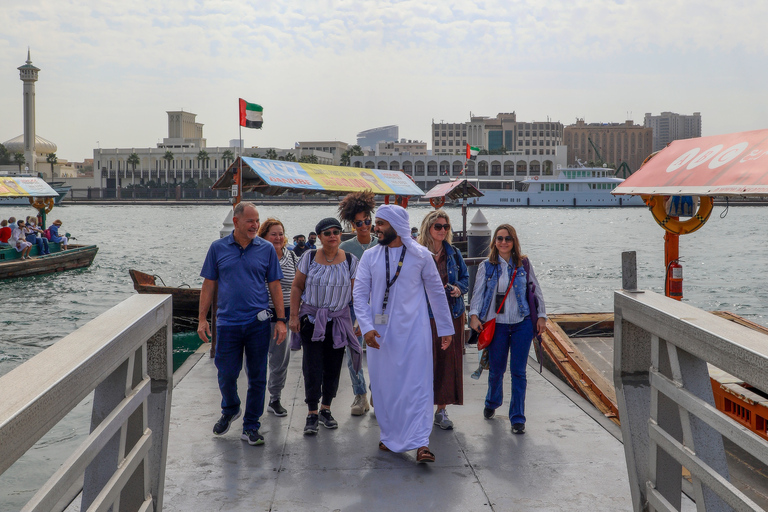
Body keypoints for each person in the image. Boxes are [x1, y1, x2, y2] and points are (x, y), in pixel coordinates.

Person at [353, 205, 454, 463]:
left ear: (396, 225)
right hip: (380, 337)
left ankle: (421, 443)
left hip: (415, 335)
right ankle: (390, 436)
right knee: (386, 389)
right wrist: (366, 327)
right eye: (376, 223)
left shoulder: (421, 255)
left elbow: (436, 293)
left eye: (380, 224)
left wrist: (445, 329)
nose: (376, 228)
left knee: (418, 387)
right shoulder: (370, 257)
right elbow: (359, 295)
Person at [198, 202, 287, 446]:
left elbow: (275, 285)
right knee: (226, 373)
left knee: (258, 377)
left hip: (258, 323)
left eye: (257, 220)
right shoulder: (217, 248)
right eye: (250, 220)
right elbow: (208, 285)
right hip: (227, 324)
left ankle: (251, 426)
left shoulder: (266, 248)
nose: (255, 225)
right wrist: (202, 319)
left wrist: (280, 320)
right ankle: (230, 408)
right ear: (236, 222)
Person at [468, 224, 547, 435]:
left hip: (522, 323)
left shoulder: (524, 264)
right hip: (497, 325)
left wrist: (541, 317)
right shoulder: (487, 266)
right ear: (494, 241)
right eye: (500, 238)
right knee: (496, 370)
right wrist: (474, 315)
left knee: (519, 372)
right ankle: (492, 401)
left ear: (514, 241)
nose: (504, 242)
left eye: (508, 238)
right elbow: (478, 293)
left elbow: (536, 290)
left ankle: (517, 418)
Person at [290, 218, 362, 435]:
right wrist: (294, 316)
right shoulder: (309, 257)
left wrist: (359, 320)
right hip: (312, 320)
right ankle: (312, 412)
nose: (333, 236)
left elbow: (356, 295)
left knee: (333, 366)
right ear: (319, 237)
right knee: (312, 367)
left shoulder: (350, 260)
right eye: (327, 233)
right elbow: (296, 287)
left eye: (336, 232)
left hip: (339, 322)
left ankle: (326, 409)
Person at [418, 210, 469, 430]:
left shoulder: (454, 253)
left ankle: (441, 410)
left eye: (446, 227)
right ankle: (420, 411)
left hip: (451, 315)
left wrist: (458, 289)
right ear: (428, 227)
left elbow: (466, 279)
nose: (442, 230)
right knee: (422, 363)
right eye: (438, 226)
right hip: (424, 316)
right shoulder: (417, 253)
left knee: (447, 364)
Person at [337, 191, 378, 416]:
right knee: (353, 352)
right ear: (353, 224)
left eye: (368, 221)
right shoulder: (345, 248)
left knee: (378, 350)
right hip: (352, 307)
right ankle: (360, 394)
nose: (364, 225)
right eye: (359, 222)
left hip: (379, 307)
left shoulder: (382, 245)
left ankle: (377, 390)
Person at [256, 218, 296, 417]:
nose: (278, 237)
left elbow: (298, 286)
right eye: (273, 234)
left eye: (280, 233)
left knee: (280, 360)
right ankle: (256, 399)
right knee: (258, 360)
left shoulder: (293, 256)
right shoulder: (259, 255)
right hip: (262, 316)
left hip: (285, 316)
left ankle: (275, 398)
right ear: (263, 236)